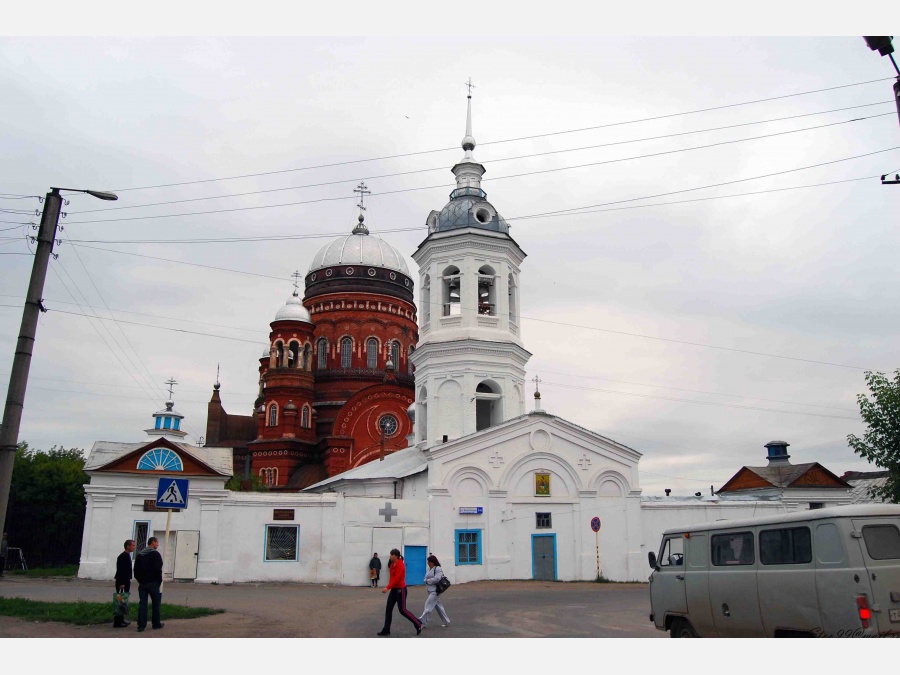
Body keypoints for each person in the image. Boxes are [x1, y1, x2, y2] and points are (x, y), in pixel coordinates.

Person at [377, 548, 421, 636]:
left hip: (401, 589)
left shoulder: (400, 565)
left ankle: (418, 623)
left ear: (396, 556)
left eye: (391, 555)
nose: (390, 556)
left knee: (403, 610)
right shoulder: (393, 564)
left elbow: (397, 579)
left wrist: (387, 588)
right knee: (388, 609)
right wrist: (390, 586)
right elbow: (392, 578)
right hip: (394, 589)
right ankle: (386, 630)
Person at [133, 536, 164, 632]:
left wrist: (140, 580)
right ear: (153, 542)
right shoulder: (155, 554)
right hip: (153, 583)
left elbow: (136, 570)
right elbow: (158, 568)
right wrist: (158, 581)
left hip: (142, 583)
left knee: (142, 604)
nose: (158, 544)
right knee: (156, 604)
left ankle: (141, 625)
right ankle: (156, 623)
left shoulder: (140, 555)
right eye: (157, 542)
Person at [418, 554, 451, 628]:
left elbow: (437, 579)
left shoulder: (438, 569)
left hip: (435, 591)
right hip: (430, 590)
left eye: (429, 562)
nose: (427, 563)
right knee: (439, 606)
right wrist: (427, 580)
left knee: (428, 605)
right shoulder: (429, 569)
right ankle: (446, 621)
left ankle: (422, 622)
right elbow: (425, 578)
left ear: (433, 562)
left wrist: (428, 580)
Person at [113, 539, 136, 627]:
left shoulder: (127, 555)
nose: (134, 547)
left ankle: (121, 619)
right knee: (120, 601)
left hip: (126, 581)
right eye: (133, 545)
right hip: (121, 582)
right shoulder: (122, 556)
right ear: (128, 546)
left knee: (123, 601)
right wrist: (122, 583)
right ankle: (117, 622)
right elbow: (121, 570)